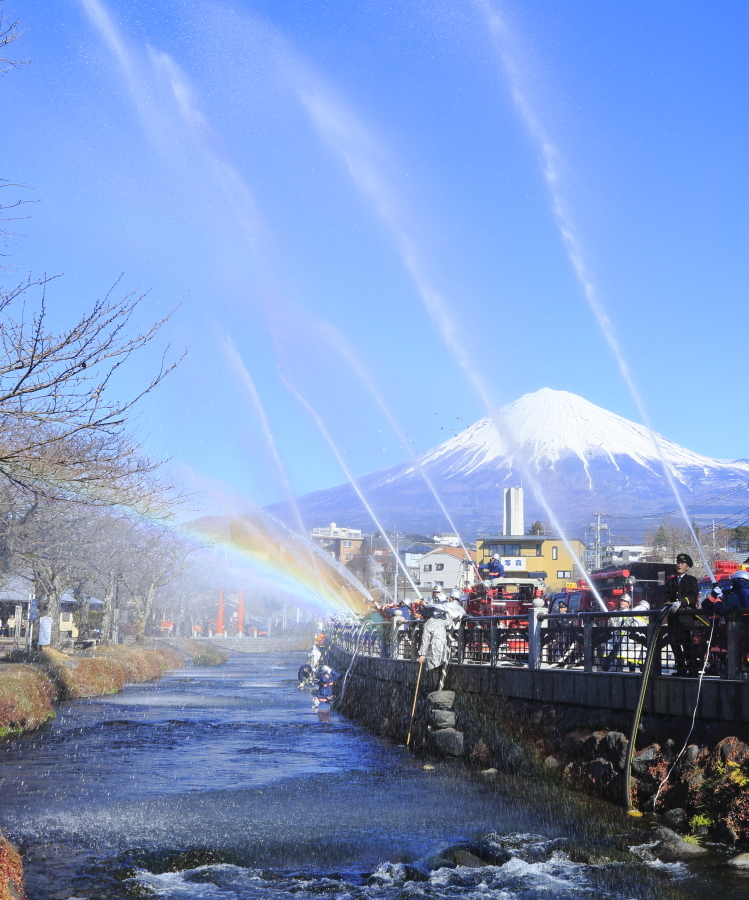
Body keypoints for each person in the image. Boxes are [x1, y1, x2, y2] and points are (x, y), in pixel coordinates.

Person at [665, 553, 701, 677]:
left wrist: (681, 602)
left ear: (688, 567)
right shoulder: (671, 581)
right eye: (678, 563)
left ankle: (692, 669)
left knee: (687, 644)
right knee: (675, 644)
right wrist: (670, 604)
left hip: (686, 618)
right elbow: (667, 596)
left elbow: (693, 596)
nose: (679, 565)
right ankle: (680, 668)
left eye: (682, 563)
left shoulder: (691, 580)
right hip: (674, 618)